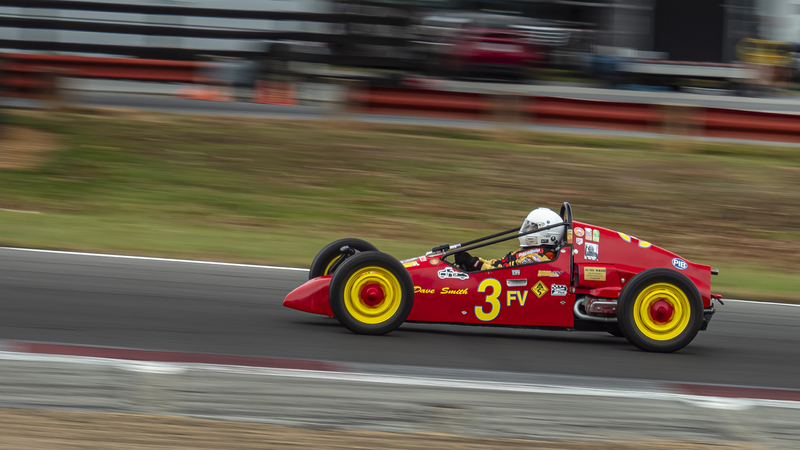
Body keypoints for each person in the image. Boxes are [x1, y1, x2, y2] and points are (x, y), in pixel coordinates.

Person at [454, 207, 565, 272]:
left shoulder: (539, 259)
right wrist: (474, 261)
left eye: (531, 227)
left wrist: (475, 264)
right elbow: (499, 264)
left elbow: (505, 272)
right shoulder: (527, 252)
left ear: (545, 233)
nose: (527, 230)